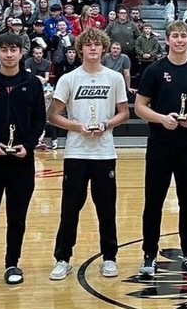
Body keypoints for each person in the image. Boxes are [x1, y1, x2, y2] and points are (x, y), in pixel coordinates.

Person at [134, 21, 187, 276]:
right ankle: (149, 254)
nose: (180, 40)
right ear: (167, 40)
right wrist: (162, 118)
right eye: (175, 36)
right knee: (154, 200)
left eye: (184, 36)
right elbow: (139, 107)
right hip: (160, 141)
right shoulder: (155, 70)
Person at [47, 28, 130, 281]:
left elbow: (124, 113)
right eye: (88, 44)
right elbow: (53, 115)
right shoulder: (69, 79)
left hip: (104, 153)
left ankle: (109, 258)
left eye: (97, 45)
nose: (92, 48)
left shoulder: (114, 78)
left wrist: (106, 124)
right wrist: (77, 126)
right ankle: (63, 259)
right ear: (80, 48)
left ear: (103, 49)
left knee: (106, 209)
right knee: (70, 209)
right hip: (76, 153)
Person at [0, 33, 47, 286]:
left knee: (17, 216)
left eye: (13, 49)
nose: (9, 54)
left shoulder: (33, 83)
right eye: (4, 49)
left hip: (22, 161)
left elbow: (38, 121)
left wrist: (29, 145)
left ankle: (12, 263)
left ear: (21, 52)